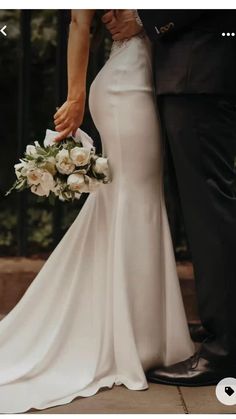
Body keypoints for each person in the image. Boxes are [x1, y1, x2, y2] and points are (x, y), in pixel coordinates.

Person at [0, 10, 193, 413]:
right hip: (127, 87)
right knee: (134, 207)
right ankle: (135, 340)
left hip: (137, 80)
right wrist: (75, 96)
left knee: (134, 206)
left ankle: (145, 333)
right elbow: (78, 22)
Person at [102, 9, 236, 385]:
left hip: (200, 71)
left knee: (209, 212)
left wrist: (146, 17)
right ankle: (223, 331)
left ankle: (225, 351)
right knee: (202, 211)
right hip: (187, 75)